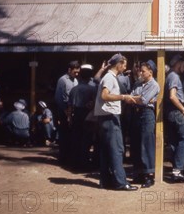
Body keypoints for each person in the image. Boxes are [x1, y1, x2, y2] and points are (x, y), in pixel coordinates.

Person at [93, 53, 138, 191]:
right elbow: (104, 95)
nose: (125, 67)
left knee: (106, 150)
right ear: (118, 64)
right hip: (110, 116)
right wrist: (123, 97)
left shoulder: (109, 77)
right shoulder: (109, 77)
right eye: (124, 64)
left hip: (104, 117)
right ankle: (120, 182)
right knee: (117, 149)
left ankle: (105, 181)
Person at [129, 60, 160, 188]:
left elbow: (143, 100)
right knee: (136, 143)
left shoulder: (154, 85)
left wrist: (137, 98)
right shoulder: (137, 83)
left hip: (147, 114)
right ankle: (139, 173)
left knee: (146, 144)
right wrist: (137, 98)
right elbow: (130, 98)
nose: (140, 73)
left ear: (150, 72)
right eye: (140, 71)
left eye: (143, 71)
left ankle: (149, 175)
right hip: (136, 114)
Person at [164, 54, 184, 182]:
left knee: (174, 140)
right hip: (176, 111)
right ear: (178, 64)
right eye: (183, 65)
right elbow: (172, 96)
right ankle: (178, 169)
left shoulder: (169, 76)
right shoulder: (174, 76)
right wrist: (183, 109)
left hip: (169, 112)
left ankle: (176, 168)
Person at [68, 64, 98, 169]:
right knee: (86, 140)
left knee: (76, 138)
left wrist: (70, 118)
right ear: (90, 76)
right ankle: (84, 162)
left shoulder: (74, 89)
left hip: (76, 114)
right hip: (87, 115)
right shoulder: (93, 89)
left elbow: (70, 106)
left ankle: (74, 162)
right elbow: (94, 104)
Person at [54, 61, 80, 165]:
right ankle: (63, 158)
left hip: (73, 111)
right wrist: (66, 112)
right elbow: (59, 98)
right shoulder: (62, 80)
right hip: (63, 111)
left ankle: (69, 157)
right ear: (69, 70)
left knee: (71, 136)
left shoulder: (76, 81)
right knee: (64, 134)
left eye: (78, 72)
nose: (77, 74)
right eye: (75, 72)